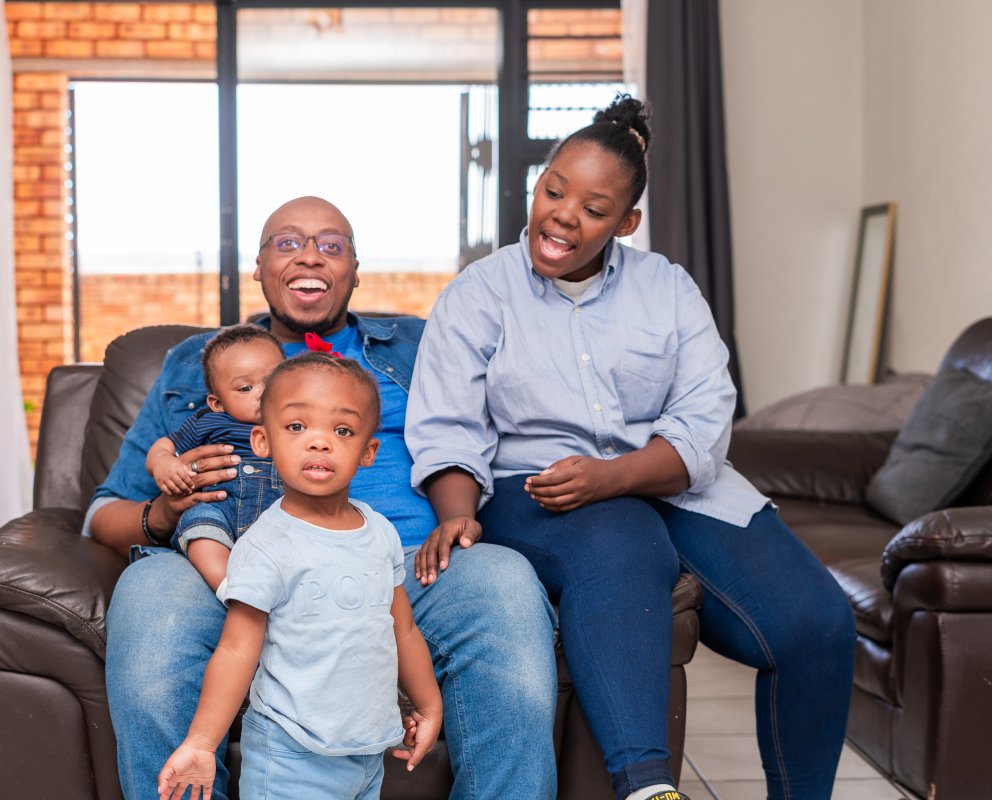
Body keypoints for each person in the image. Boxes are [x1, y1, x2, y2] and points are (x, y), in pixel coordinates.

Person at [406, 95, 855, 800]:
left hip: (678, 482)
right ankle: (647, 786)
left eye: (593, 207)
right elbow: (447, 427)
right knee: (623, 539)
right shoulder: (479, 294)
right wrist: (457, 511)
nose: (562, 215)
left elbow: (706, 413)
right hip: (539, 489)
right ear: (538, 184)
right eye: (554, 190)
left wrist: (616, 475)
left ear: (626, 222)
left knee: (818, 625)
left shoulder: (668, 288)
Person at [87, 196, 559, 800]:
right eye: (287, 243)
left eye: (330, 245)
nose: (309, 254)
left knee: (502, 579)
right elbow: (104, 513)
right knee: (151, 591)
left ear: (356, 270)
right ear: (257, 268)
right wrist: (165, 512)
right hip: (232, 578)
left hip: (400, 571)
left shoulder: (417, 346)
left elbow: (492, 429)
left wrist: (460, 515)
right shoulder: (198, 362)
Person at [157, 353, 442, 800]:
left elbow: (402, 629)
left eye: (342, 430)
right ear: (262, 441)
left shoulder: (380, 532)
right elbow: (236, 650)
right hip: (291, 757)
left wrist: (428, 706)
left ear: (368, 452)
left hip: (366, 751)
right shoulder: (267, 545)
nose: (319, 442)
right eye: (296, 427)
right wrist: (202, 743)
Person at [146, 324, 284, 600]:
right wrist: (163, 463)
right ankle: (231, 590)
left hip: (280, 517)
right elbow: (163, 446)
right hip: (221, 508)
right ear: (217, 403)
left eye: (273, 382)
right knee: (200, 530)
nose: (262, 393)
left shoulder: (295, 423)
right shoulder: (208, 422)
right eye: (245, 388)